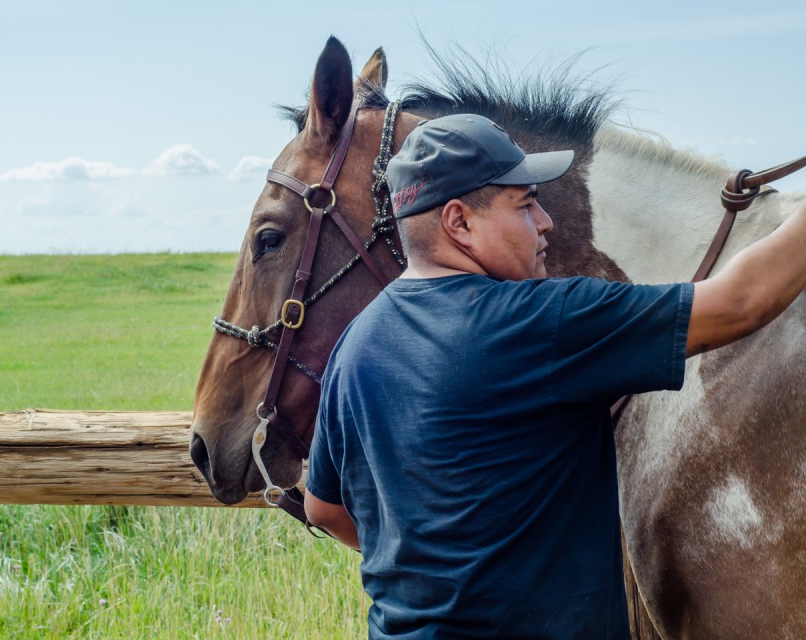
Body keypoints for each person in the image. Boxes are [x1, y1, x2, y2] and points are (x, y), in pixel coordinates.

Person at [303, 113, 806, 639]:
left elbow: (324, 508)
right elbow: (741, 302)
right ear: (459, 222)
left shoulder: (354, 347)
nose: (545, 222)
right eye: (524, 205)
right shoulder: (539, 321)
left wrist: (438, 555)